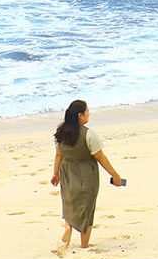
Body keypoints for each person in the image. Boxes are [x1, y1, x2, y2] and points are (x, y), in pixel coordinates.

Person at [50, 99, 124, 249]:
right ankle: (84, 244)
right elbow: (100, 157)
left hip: (67, 173)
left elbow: (58, 155)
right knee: (87, 209)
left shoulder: (60, 133)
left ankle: (68, 228)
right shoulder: (89, 134)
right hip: (86, 175)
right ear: (80, 115)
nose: (89, 114)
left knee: (69, 202)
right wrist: (115, 174)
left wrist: (55, 173)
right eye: (87, 111)